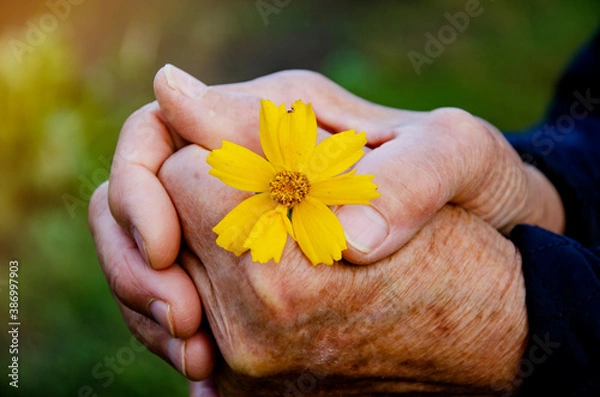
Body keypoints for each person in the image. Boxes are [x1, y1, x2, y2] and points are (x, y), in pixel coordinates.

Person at [88, 29, 600, 396]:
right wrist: (548, 194)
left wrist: (519, 320)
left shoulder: (317, 191)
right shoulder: (265, 191)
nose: (289, 185)